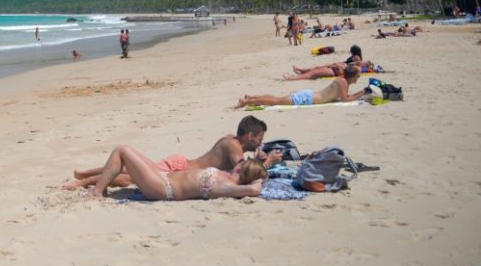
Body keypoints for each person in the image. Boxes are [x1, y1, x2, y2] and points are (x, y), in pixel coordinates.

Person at [64, 116, 280, 190]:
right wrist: (267, 162)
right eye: (259, 139)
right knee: (129, 176)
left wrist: (258, 156)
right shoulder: (234, 147)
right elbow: (243, 172)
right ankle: (84, 181)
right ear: (249, 136)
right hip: (179, 169)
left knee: (130, 171)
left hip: (179, 165)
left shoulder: (231, 139)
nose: (260, 143)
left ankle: (84, 174)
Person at [89, 148, 265, 201]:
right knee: (126, 158)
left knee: (121, 151)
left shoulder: (227, 186)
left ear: (242, 169)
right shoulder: (226, 178)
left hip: (163, 187)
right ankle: (98, 186)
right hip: (163, 177)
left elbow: (253, 190)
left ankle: (97, 192)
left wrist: (258, 179)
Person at [236, 64, 366, 108]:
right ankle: (246, 101)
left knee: (276, 99)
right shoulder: (343, 82)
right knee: (275, 101)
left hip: (309, 96)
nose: (358, 78)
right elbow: (345, 99)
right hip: (307, 99)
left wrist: (361, 92)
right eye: (357, 76)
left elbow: (345, 96)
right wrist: (363, 92)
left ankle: (251, 97)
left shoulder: (343, 81)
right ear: (352, 76)